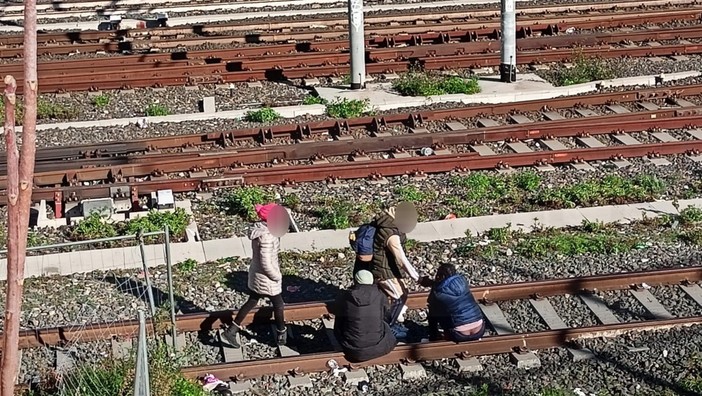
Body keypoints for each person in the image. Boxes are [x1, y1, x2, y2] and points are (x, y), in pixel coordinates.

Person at [222, 203, 288, 348]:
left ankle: (231, 330)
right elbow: (266, 262)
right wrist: (276, 276)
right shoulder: (267, 237)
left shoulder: (260, 231)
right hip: (267, 278)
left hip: (256, 274)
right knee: (278, 304)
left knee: (252, 300)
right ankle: (281, 333)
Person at [370, 202, 424, 325]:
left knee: (397, 294)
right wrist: (417, 278)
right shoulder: (390, 234)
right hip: (383, 271)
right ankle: (389, 326)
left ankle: (384, 319)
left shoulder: (389, 224)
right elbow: (401, 258)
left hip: (388, 267)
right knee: (400, 297)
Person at [334, 270, 397, 363]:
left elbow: (339, 316)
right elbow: (386, 316)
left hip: (352, 349)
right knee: (385, 325)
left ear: (355, 281)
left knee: (340, 320)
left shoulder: (346, 296)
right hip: (378, 346)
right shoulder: (380, 295)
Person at [426, 263, 485, 342]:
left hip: (459, 335)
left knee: (433, 311)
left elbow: (431, 305)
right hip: (480, 330)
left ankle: (434, 336)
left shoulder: (437, 292)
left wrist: (433, 286)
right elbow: (449, 286)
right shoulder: (463, 281)